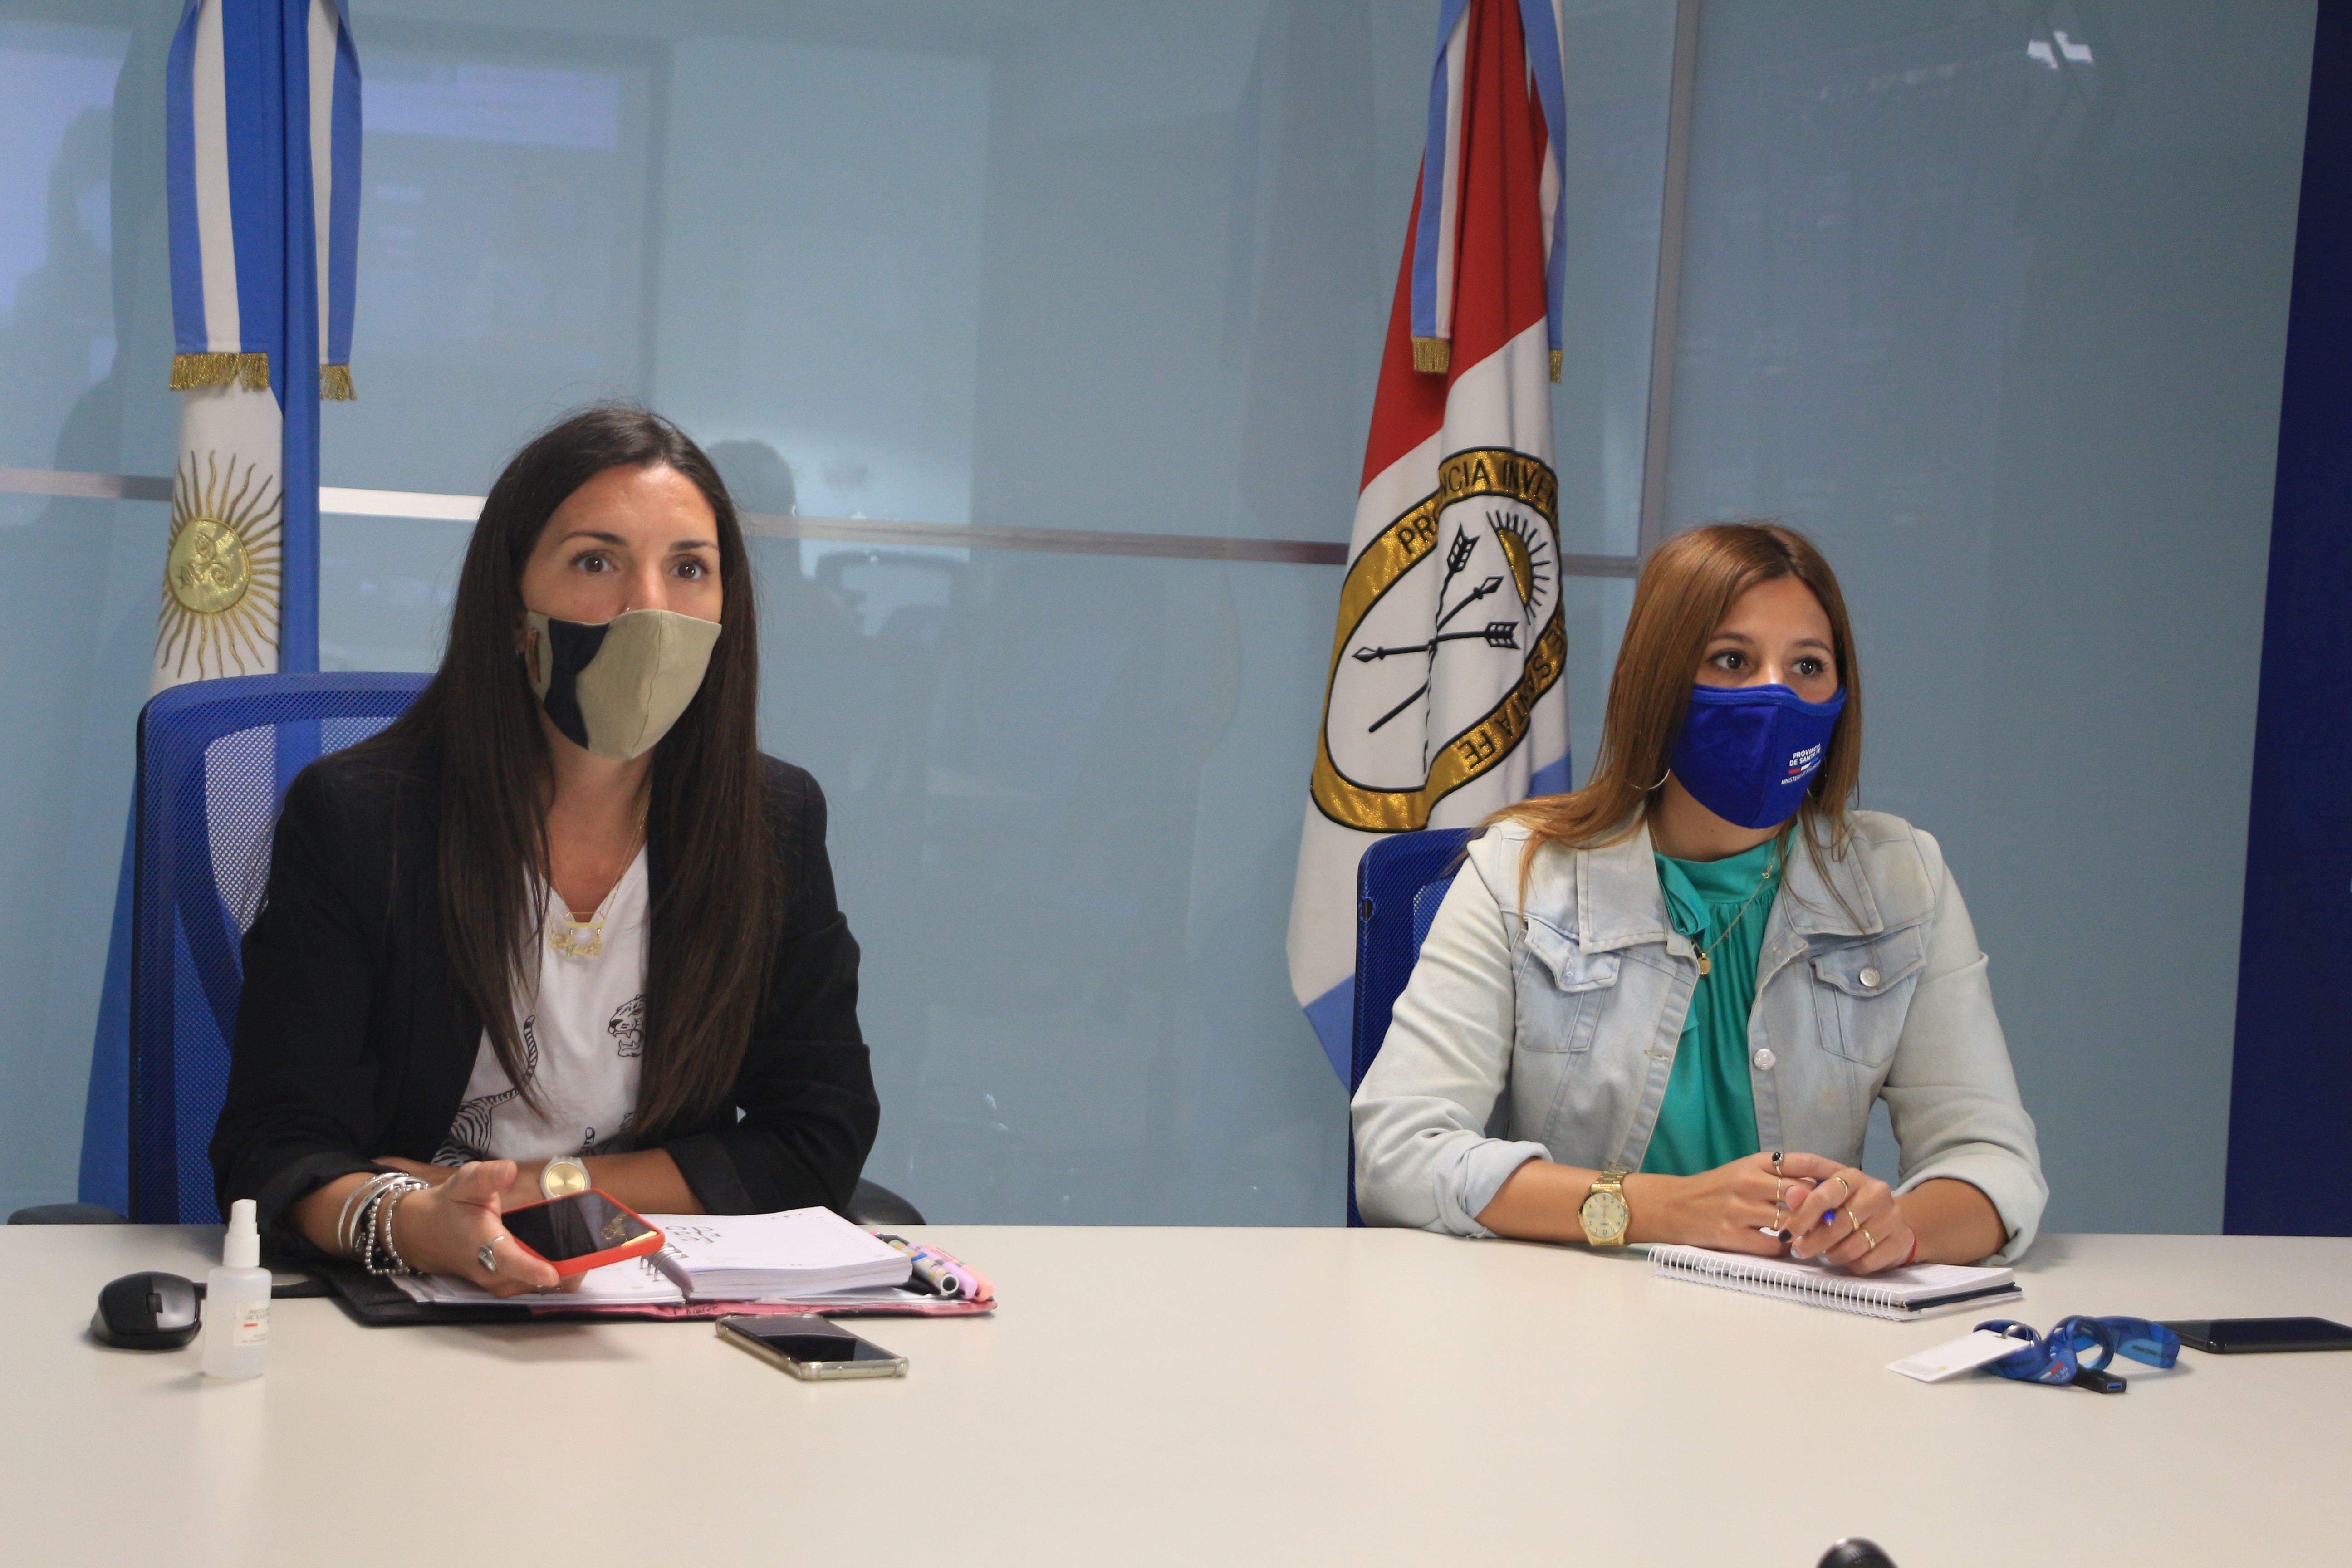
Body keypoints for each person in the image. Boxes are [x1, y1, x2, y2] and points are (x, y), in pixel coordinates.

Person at [211, 405, 878, 1296]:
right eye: (596, 562)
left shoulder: (770, 821)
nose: (650, 607)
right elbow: (276, 1146)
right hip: (418, 1299)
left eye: (689, 568)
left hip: (654, 1306)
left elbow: (818, 1133)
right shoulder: (362, 821)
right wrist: (421, 1223)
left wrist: (545, 1188)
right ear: (510, 607)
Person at [1352, 523, 2044, 1271]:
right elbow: (1399, 1154)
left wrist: (1896, 1229)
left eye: (1808, 665)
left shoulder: (1903, 877)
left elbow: (1992, 1159)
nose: (1776, 694)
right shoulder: (1519, 873)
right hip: (1570, 1316)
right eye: (1732, 660)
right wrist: (1664, 1210)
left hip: (1802, 1324)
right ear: (1655, 682)